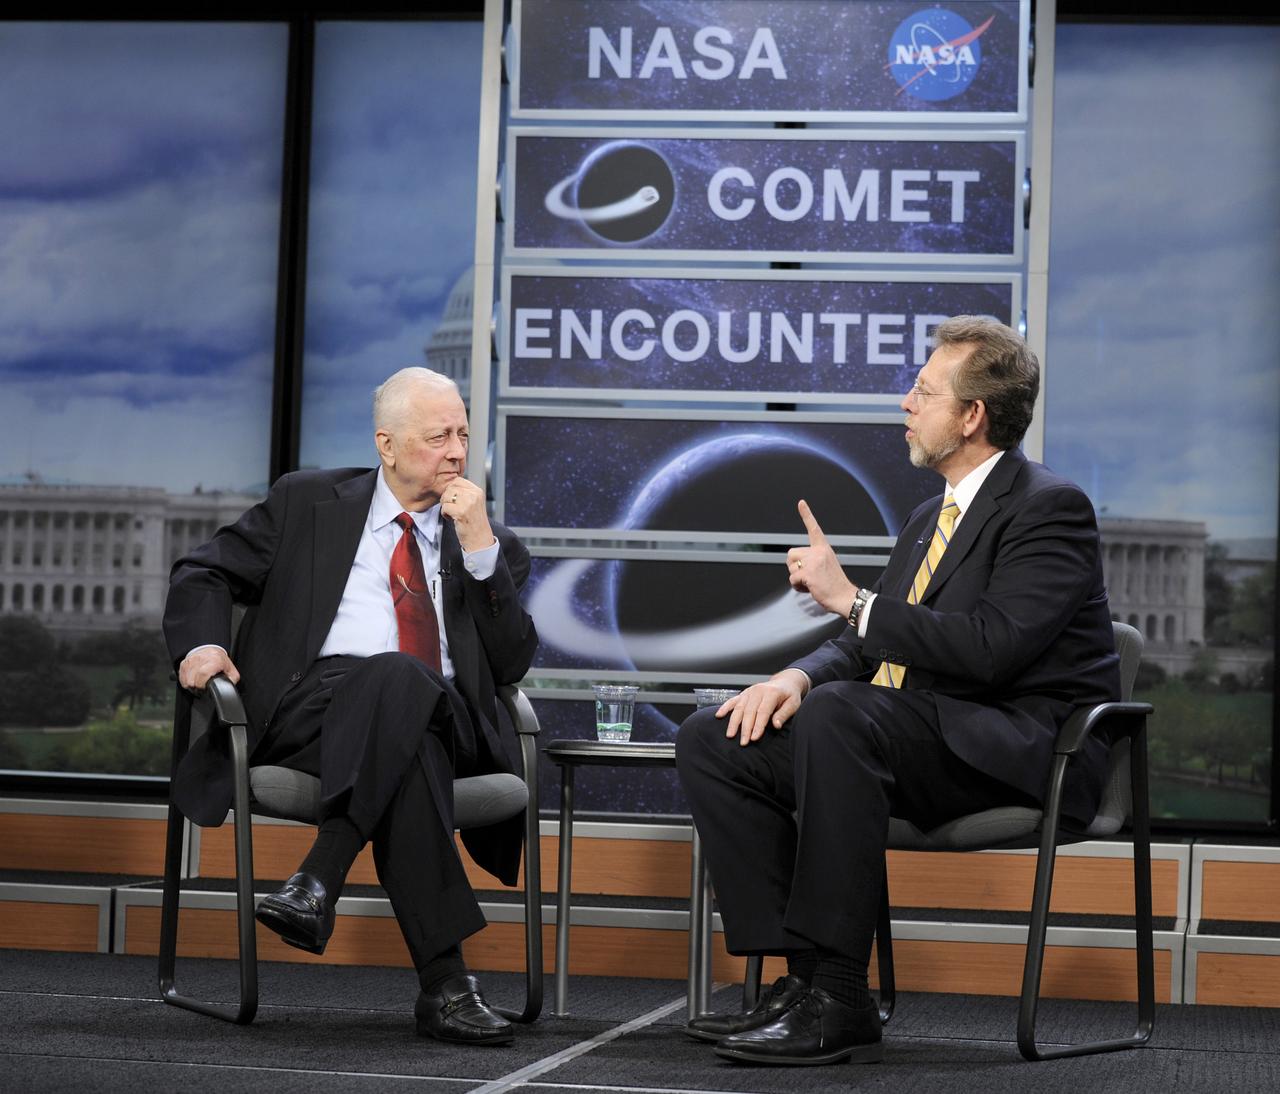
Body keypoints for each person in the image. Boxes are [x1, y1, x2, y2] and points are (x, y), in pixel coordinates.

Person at [675, 316, 1119, 1066]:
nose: (905, 404)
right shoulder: (928, 516)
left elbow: (991, 647)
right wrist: (793, 676)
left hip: (1015, 749)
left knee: (842, 718)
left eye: (922, 390)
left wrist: (848, 597)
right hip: (915, 739)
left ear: (972, 416)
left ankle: (842, 995)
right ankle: (801, 977)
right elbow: (871, 638)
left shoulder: (1050, 508)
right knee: (717, 737)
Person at [163, 367, 537, 1046]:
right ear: (387, 446)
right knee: (402, 735)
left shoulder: (491, 544)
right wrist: (206, 645)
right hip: (312, 714)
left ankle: (319, 875)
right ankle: (447, 988)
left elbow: (511, 664)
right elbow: (204, 570)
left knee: (400, 681)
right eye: (437, 437)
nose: (456, 451)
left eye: (462, 434)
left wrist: (479, 549)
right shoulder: (307, 502)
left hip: (446, 715)